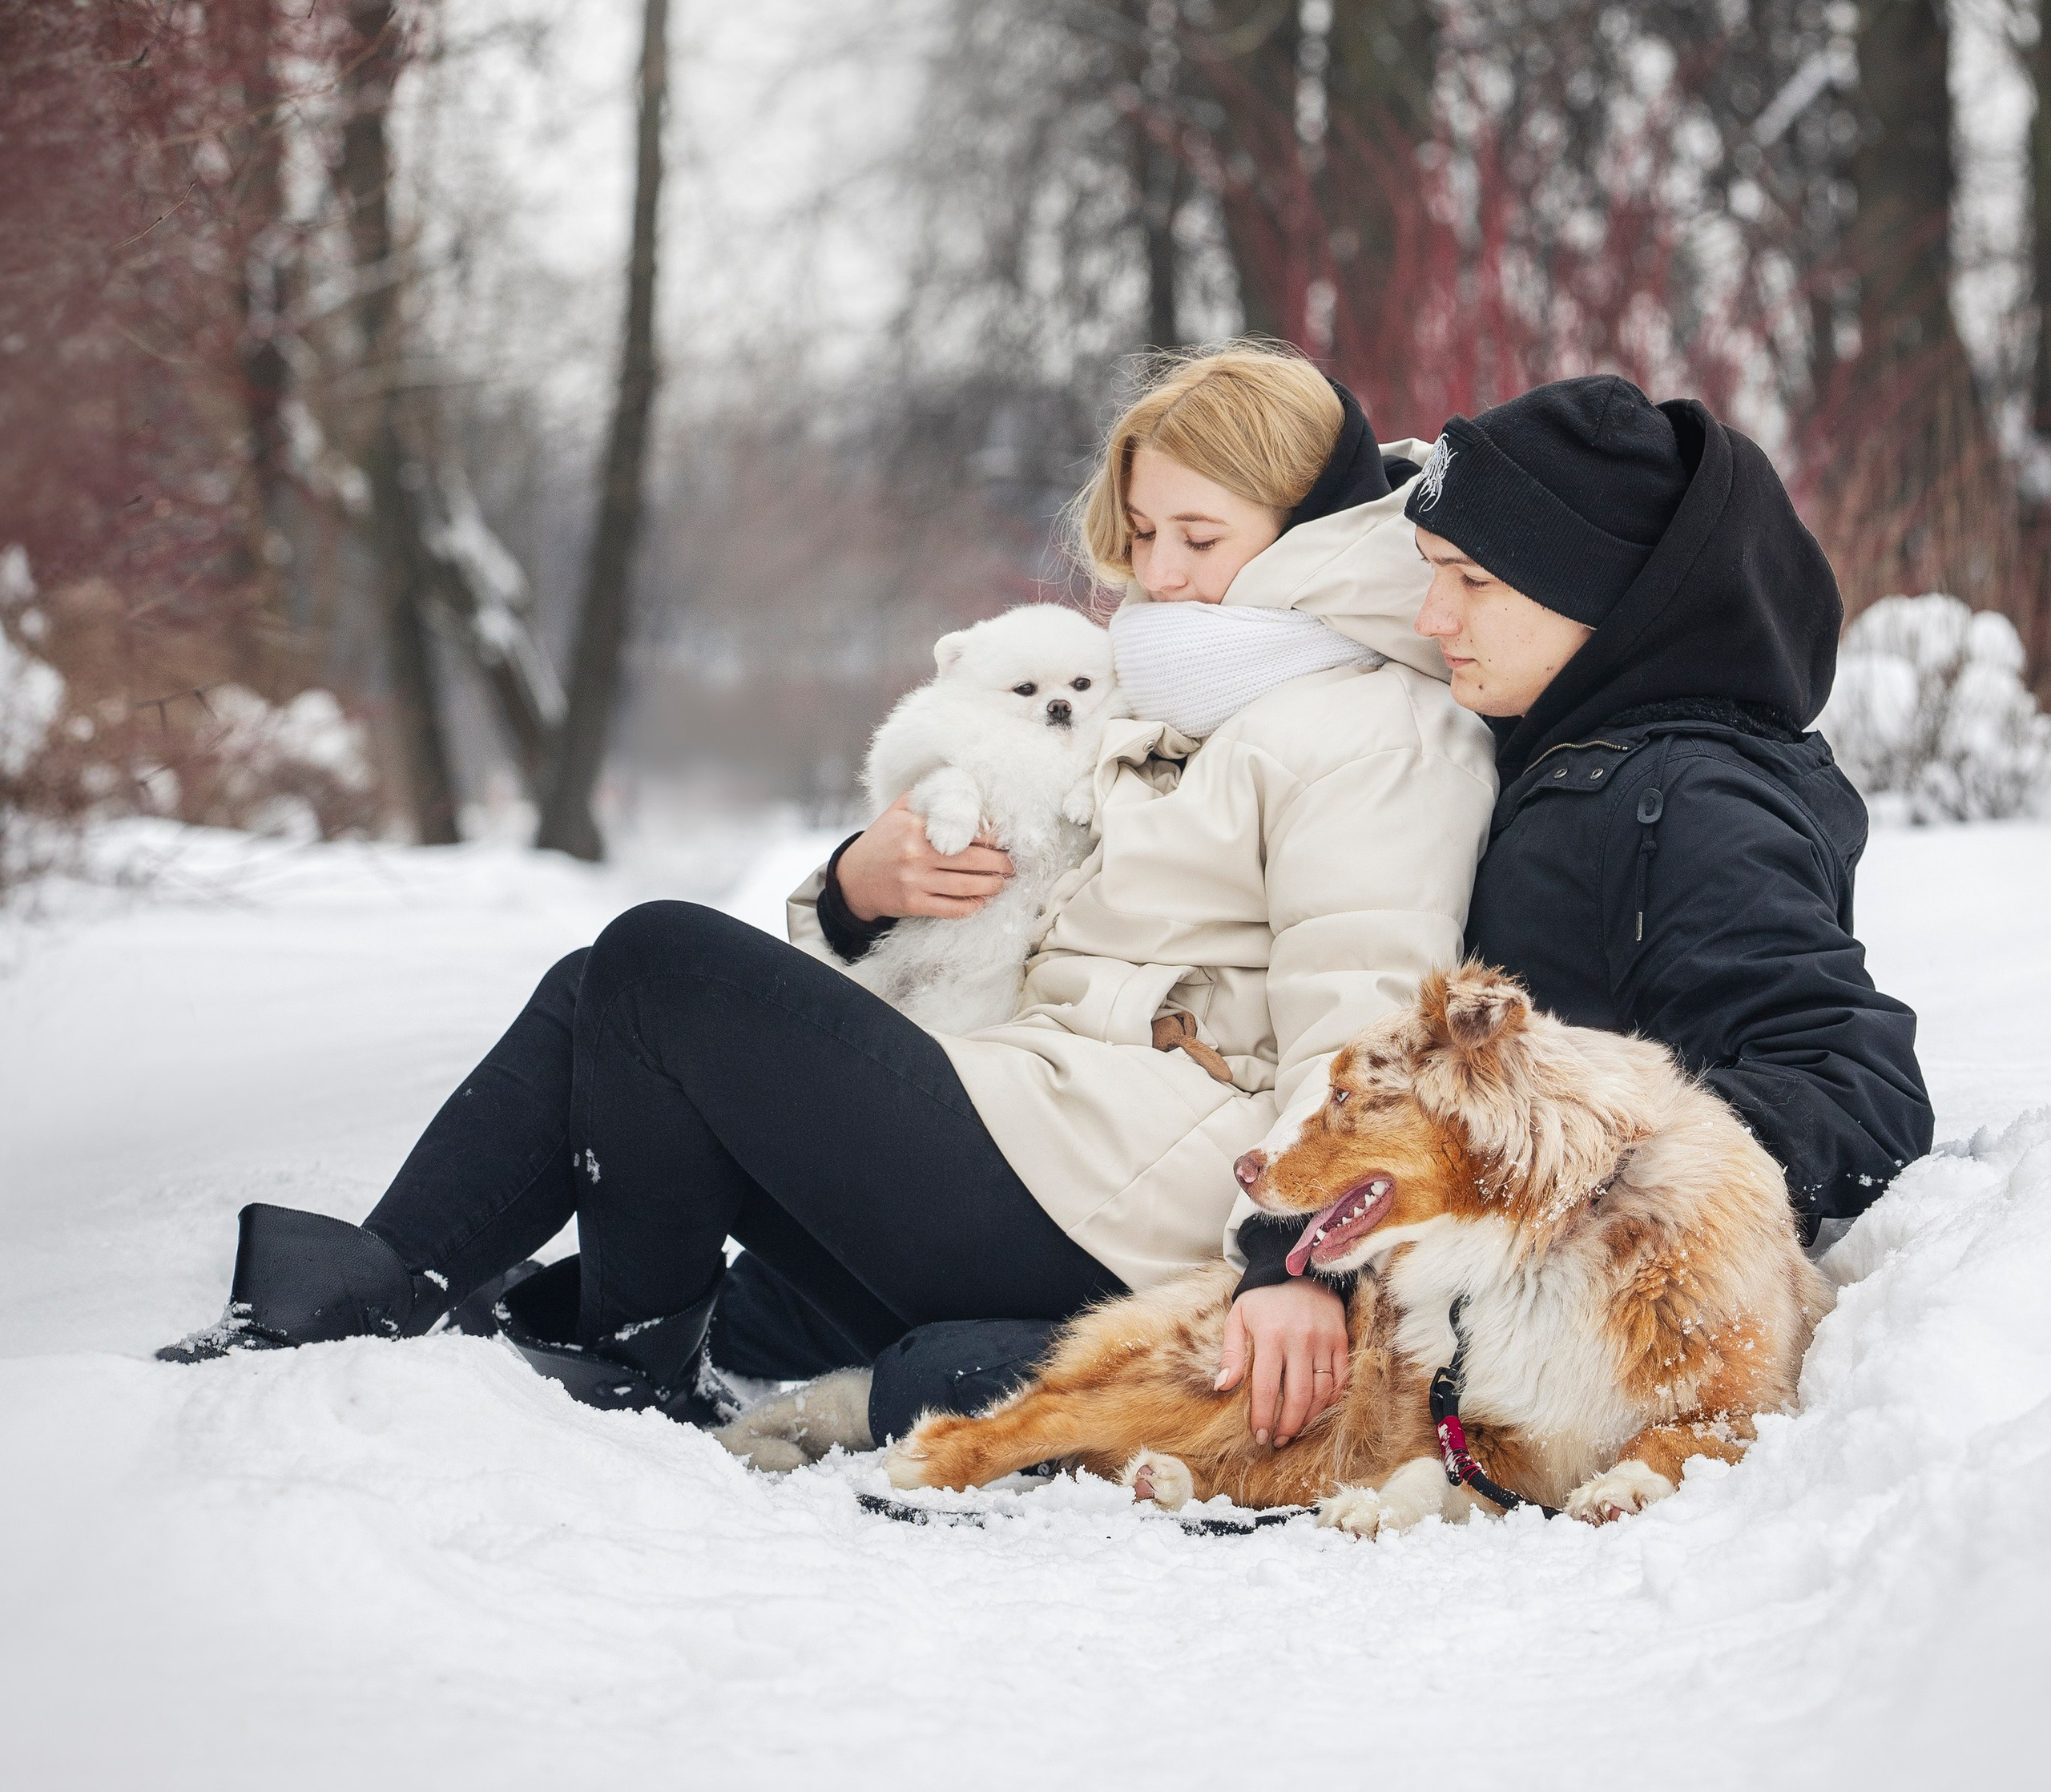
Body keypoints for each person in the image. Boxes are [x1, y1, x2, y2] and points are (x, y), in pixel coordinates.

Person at [160, 345, 1496, 1462]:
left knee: (653, 966)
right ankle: (385, 1303)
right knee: (603, 998)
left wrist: (1296, 1267)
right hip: (1029, 1122)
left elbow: (1373, 1025)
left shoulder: (1371, 728)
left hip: (1122, 1198)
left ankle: (619, 1363)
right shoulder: (1176, 684)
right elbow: (987, 885)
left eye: (1202, 538)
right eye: (1143, 536)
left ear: (1309, 534)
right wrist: (860, 894)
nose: (1161, 573)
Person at [1412, 374, 1932, 1236]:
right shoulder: (1554, 752)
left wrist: (1568, 1175)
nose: (1431, 616)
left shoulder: (1681, 802)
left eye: (1470, 580)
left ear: (1603, 599)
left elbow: (1852, 1089)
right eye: (1429, 570)